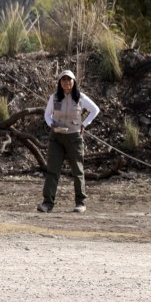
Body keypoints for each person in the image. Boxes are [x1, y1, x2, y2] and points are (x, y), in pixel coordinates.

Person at [37, 69, 100, 214]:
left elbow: (95, 110)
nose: (66, 82)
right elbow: (47, 115)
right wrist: (51, 124)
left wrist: (84, 124)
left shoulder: (80, 97)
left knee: (77, 170)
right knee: (52, 170)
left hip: (74, 137)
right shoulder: (54, 97)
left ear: (74, 82)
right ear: (60, 82)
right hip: (56, 138)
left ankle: (80, 202)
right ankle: (47, 203)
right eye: (63, 80)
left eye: (69, 79)